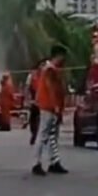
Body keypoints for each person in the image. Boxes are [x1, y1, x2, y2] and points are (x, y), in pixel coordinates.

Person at [32, 45, 68, 176]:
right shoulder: (49, 70)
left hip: (52, 106)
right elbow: (50, 88)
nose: (64, 60)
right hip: (49, 106)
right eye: (62, 57)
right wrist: (55, 106)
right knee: (43, 135)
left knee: (52, 135)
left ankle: (54, 161)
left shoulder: (52, 69)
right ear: (58, 56)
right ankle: (36, 163)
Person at [25, 59, 47, 145]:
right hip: (34, 100)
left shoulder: (47, 75)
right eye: (42, 65)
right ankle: (34, 133)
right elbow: (27, 87)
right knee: (33, 119)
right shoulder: (32, 76)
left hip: (43, 101)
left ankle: (42, 136)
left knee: (44, 119)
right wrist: (27, 99)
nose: (43, 67)